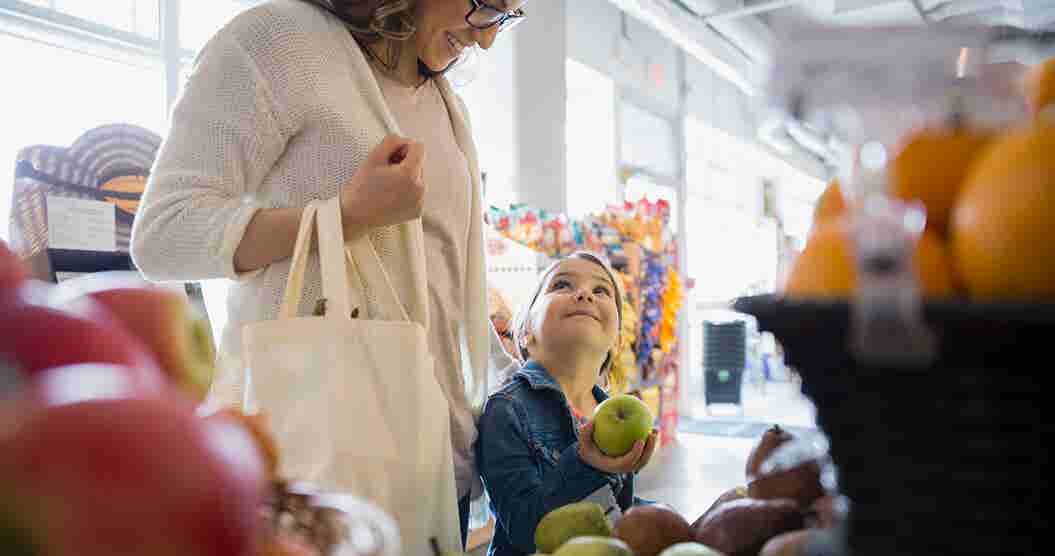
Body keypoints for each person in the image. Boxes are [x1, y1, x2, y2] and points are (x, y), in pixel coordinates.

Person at [129, 0, 526, 547]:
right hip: (323, 472)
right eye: (487, 5)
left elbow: (446, 287)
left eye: (507, 16)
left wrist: (532, 386)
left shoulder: (444, 103)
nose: (485, 41)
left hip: (439, 470)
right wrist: (345, 216)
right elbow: (163, 234)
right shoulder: (280, 42)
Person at [476, 251, 659, 556]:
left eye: (601, 290)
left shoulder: (616, 411)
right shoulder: (507, 409)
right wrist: (587, 465)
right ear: (526, 333)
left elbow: (615, 517)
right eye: (562, 285)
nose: (585, 293)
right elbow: (527, 532)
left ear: (614, 338)